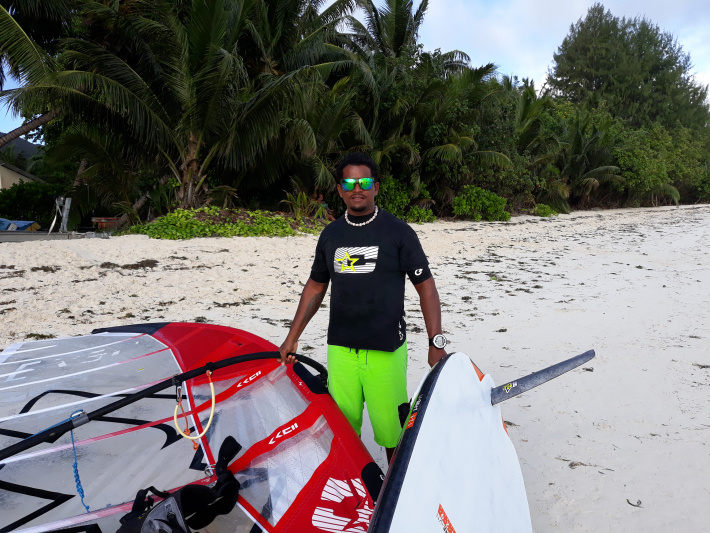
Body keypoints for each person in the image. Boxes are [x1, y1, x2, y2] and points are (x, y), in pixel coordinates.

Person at [279, 153, 447, 463]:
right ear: (340, 190)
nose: (358, 189)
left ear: (376, 187)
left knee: (392, 435)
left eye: (365, 182)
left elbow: (427, 288)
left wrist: (435, 341)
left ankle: (393, 497)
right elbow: (316, 286)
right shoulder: (331, 235)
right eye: (350, 183)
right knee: (342, 432)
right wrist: (293, 335)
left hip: (386, 352)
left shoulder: (398, 232)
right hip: (341, 352)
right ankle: (352, 491)